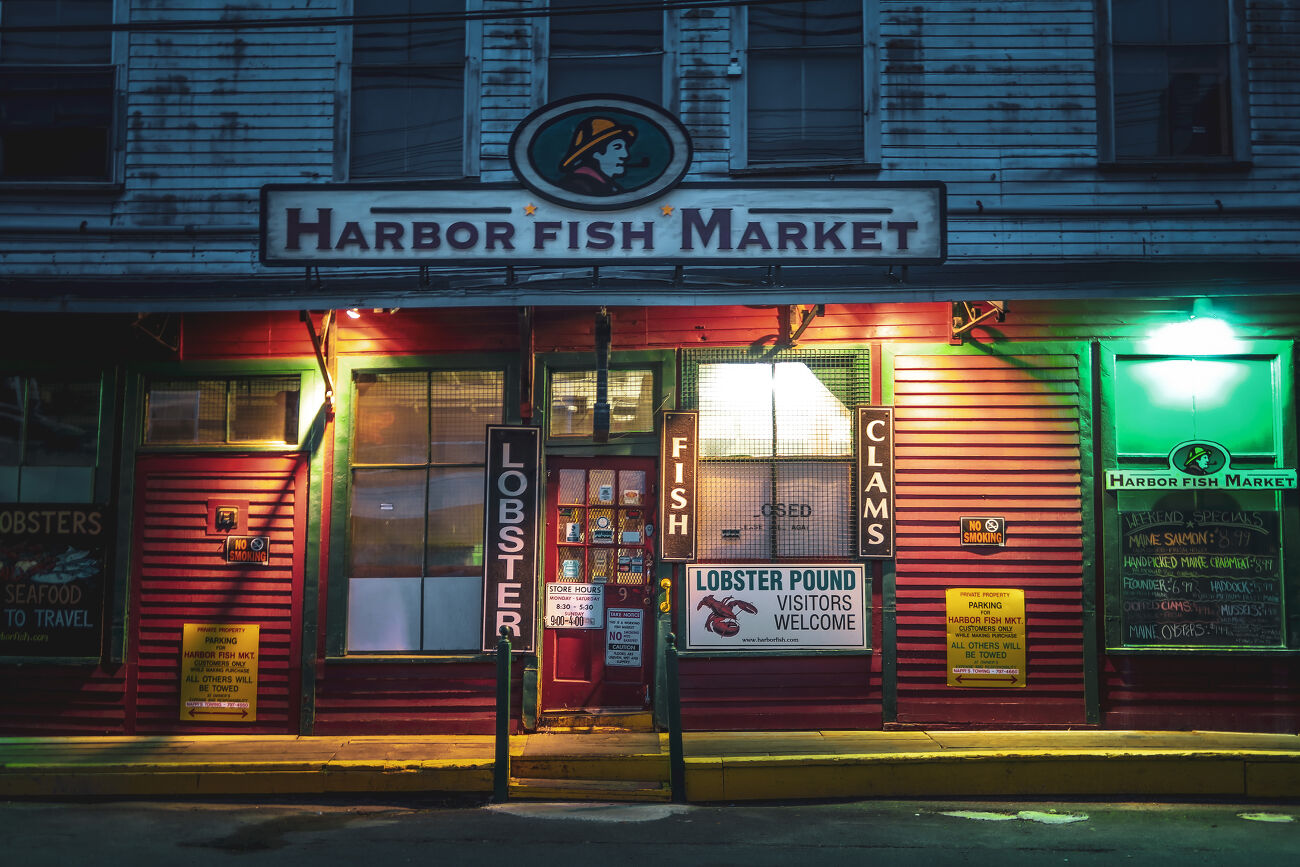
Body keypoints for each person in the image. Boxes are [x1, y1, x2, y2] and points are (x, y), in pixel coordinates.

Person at [558, 116, 637, 196]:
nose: (626, 155)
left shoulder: (609, 187)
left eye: (625, 147)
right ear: (596, 153)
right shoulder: (577, 186)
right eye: (617, 147)